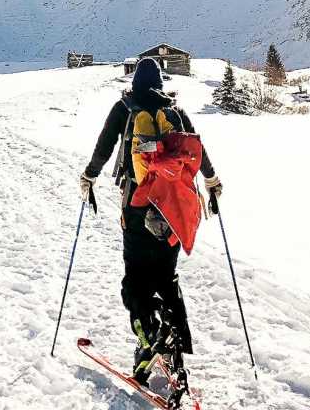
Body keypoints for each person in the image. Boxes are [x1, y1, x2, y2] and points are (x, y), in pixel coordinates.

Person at [78, 58, 222, 404]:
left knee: (136, 279)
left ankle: (149, 338)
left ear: (134, 83)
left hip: (137, 206)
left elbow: (104, 146)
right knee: (166, 276)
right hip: (173, 210)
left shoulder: (124, 108)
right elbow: (197, 150)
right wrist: (212, 181)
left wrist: (88, 177)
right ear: (160, 81)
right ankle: (173, 346)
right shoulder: (175, 111)